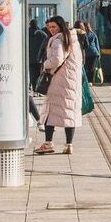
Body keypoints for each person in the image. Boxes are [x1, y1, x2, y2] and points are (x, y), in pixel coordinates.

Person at [35, 16, 82, 155]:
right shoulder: (73, 40)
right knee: (69, 113)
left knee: (50, 111)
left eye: (53, 26)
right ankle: (69, 145)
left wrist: (45, 64)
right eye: (49, 27)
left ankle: (48, 143)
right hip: (72, 81)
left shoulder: (57, 40)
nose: (51, 30)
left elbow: (57, 59)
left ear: (60, 26)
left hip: (58, 80)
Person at [26, 19, 46, 124]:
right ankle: (37, 90)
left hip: (29, 58)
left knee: (32, 74)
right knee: (39, 74)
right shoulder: (42, 34)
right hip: (39, 59)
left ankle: (33, 89)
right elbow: (45, 46)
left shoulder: (25, 33)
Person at [75, 19, 103, 84]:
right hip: (94, 53)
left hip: (86, 54)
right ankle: (90, 81)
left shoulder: (81, 34)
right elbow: (97, 45)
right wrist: (99, 54)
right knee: (91, 68)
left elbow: (85, 45)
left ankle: (86, 81)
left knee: (85, 68)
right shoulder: (93, 34)